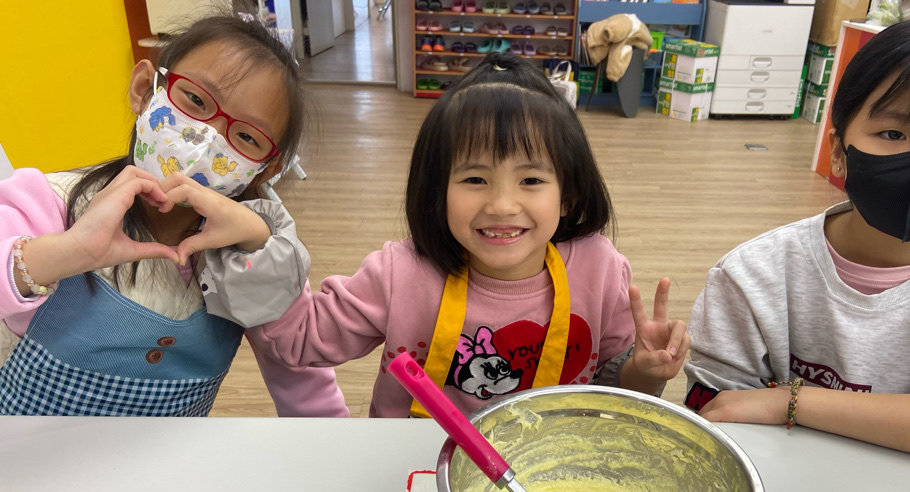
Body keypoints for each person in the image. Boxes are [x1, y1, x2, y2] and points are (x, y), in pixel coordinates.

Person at [247, 52, 689, 418]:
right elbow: (299, 341)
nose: (502, 205)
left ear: (568, 197)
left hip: (549, 468)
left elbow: (613, 387)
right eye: (475, 179)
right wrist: (256, 239)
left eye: (531, 180)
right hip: (414, 463)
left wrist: (646, 371)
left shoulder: (600, 268)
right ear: (436, 192)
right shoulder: (400, 274)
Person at [685, 14, 910, 468]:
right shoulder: (753, 274)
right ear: (839, 150)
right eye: (892, 133)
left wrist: (790, 401)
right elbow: (714, 415)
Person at [0, 12, 347, 416]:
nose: (207, 138)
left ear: (266, 169)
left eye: (246, 136)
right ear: (144, 89)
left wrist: (258, 244)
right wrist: (69, 251)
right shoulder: (50, 200)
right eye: (196, 101)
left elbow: (302, 380)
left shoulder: (256, 255)